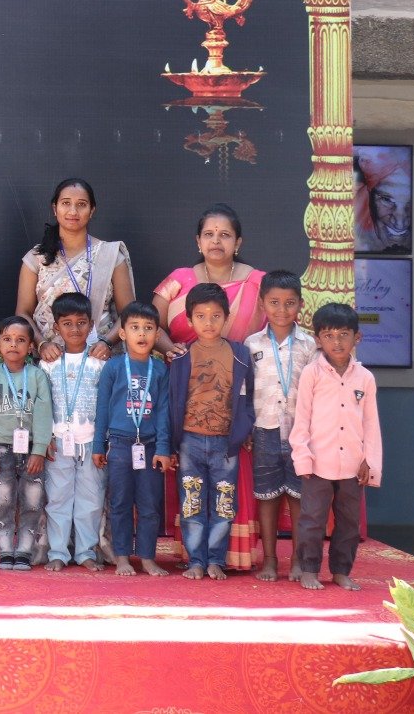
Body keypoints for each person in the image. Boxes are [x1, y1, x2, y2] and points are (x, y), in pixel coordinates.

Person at [153, 203, 267, 569]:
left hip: (232, 416)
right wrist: (170, 349)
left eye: (225, 235)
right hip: (189, 414)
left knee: (225, 496)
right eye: (209, 234)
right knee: (193, 495)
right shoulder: (179, 279)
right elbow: (150, 322)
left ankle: (223, 557)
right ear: (198, 241)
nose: (216, 241)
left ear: (238, 242)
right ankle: (196, 558)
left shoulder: (258, 282)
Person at [167, 282, 255, 580]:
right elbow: (172, 401)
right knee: (191, 501)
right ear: (189, 320)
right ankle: (196, 560)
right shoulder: (181, 357)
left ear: (226, 318)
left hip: (225, 443)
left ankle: (216, 559)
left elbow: (248, 398)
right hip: (189, 441)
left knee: (224, 502)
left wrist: (244, 431)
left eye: (216, 316)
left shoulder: (240, 354)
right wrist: (171, 443)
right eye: (201, 316)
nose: (209, 322)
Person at [291, 303, 380, 592]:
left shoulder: (365, 378)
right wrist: (303, 457)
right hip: (318, 462)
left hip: (353, 465)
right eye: (329, 335)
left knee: (349, 522)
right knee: (312, 520)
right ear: (318, 339)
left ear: (357, 337)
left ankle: (341, 571)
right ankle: (309, 569)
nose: (337, 342)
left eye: (344, 334)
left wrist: (369, 461)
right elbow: (302, 419)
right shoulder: (312, 374)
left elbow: (371, 424)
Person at [244, 270, 318, 582]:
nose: (282, 309)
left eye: (289, 303)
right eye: (274, 302)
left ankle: (299, 560)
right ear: (262, 304)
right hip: (265, 430)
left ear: (300, 304)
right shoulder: (251, 344)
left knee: (299, 497)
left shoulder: (310, 345)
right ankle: (270, 560)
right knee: (267, 497)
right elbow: (245, 390)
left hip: (302, 433)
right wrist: (245, 428)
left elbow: (317, 392)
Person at [16, 178, 136, 361]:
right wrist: (42, 344)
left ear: (92, 210)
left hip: (99, 359)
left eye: (81, 204)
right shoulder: (36, 258)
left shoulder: (110, 255)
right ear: (55, 208)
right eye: (66, 203)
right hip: (50, 361)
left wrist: (107, 343)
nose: (73, 211)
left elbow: (129, 313)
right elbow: (23, 312)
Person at [94, 301, 172, 576]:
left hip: (150, 447)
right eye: (135, 327)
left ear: (157, 334)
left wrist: (164, 448)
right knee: (120, 503)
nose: (142, 333)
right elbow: (102, 409)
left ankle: (148, 557)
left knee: (150, 505)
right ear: (122, 333)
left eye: (148, 328)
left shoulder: (160, 369)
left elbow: (164, 412)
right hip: (119, 445)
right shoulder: (113, 367)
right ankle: (123, 557)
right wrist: (98, 445)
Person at [42, 293, 108, 572]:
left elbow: (106, 404)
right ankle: (57, 551)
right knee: (57, 497)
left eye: (81, 323)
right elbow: (42, 404)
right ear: (56, 327)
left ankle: (85, 551)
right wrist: (44, 438)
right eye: (67, 323)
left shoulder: (100, 361)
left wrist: (102, 442)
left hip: (91, 441)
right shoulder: (48, 362)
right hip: (58, 442)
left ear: (91, 325)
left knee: (91, 499)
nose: (75, 329)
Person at [0, 316, 52, 570]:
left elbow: (44, 413)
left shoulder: (37, 376)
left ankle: (24, 551)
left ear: (30, 346)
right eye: (7, 339)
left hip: (31, 449)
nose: (14, 345)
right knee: (2, 501)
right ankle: (4, 551)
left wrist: (40, 450)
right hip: (1, 449)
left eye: (21, 340)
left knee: (32, 501)